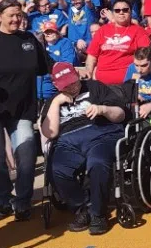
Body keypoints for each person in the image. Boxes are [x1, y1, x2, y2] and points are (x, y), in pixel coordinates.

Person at [0, 0, 52, 220]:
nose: (16, 19)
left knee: (26, 156)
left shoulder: (29, 40)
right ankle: (3, 198)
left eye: (19, 15)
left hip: (23, 109)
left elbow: (48, 66)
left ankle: (23, 200)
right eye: (11, 15)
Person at [40, 62, 134, 235]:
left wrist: (102, 109)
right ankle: (84, 208)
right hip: (68, 139)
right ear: (56, 86)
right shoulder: (54, 99)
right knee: (57, 168)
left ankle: (98, 214)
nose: (73, 87)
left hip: (101, 133)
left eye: (74, 82)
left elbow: (121, 114)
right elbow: (49, 132)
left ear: (77, 75)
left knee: (97, 162)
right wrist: (56, 103)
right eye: (66, 86)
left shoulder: (95, 87)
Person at [85, 0, 151, 85]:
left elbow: (145, 56)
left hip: (127, 84)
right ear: (113, 13)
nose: (121, 12)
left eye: (125, 10)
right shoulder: (103, 30)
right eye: (117, 10)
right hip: (101, 84)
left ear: (131, 12)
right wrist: (89, 72)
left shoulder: (138, 31)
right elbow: (92, 57)